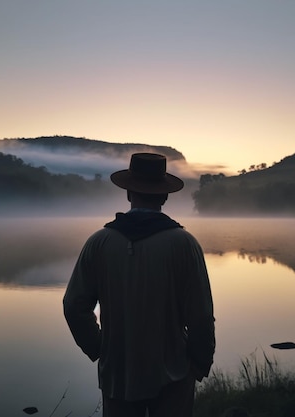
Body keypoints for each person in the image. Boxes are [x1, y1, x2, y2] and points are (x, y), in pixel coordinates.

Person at [63, 152, 215, 417]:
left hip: (117, 374)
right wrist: (200, 362)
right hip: (173, 374)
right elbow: (200, 315)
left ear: (128, 194)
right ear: (165, 196)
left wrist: (99, 347)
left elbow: (74, 306)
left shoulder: (99, 243)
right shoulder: (184, 244)